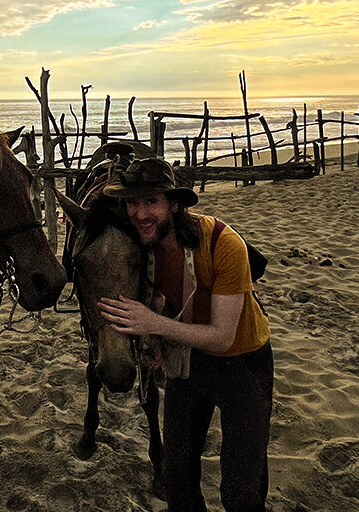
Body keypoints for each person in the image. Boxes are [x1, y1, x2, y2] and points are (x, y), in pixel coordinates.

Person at [97, 158, 273, 511]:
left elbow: (223, 337)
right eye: (132, 202)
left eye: (151, 202)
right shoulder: (140, 249)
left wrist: (153, 325)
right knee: (177, 477)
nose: (139, 213)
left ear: (174, 204)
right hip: (188, 364)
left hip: (243, 363)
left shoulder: (223, 243)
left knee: (241, 489)